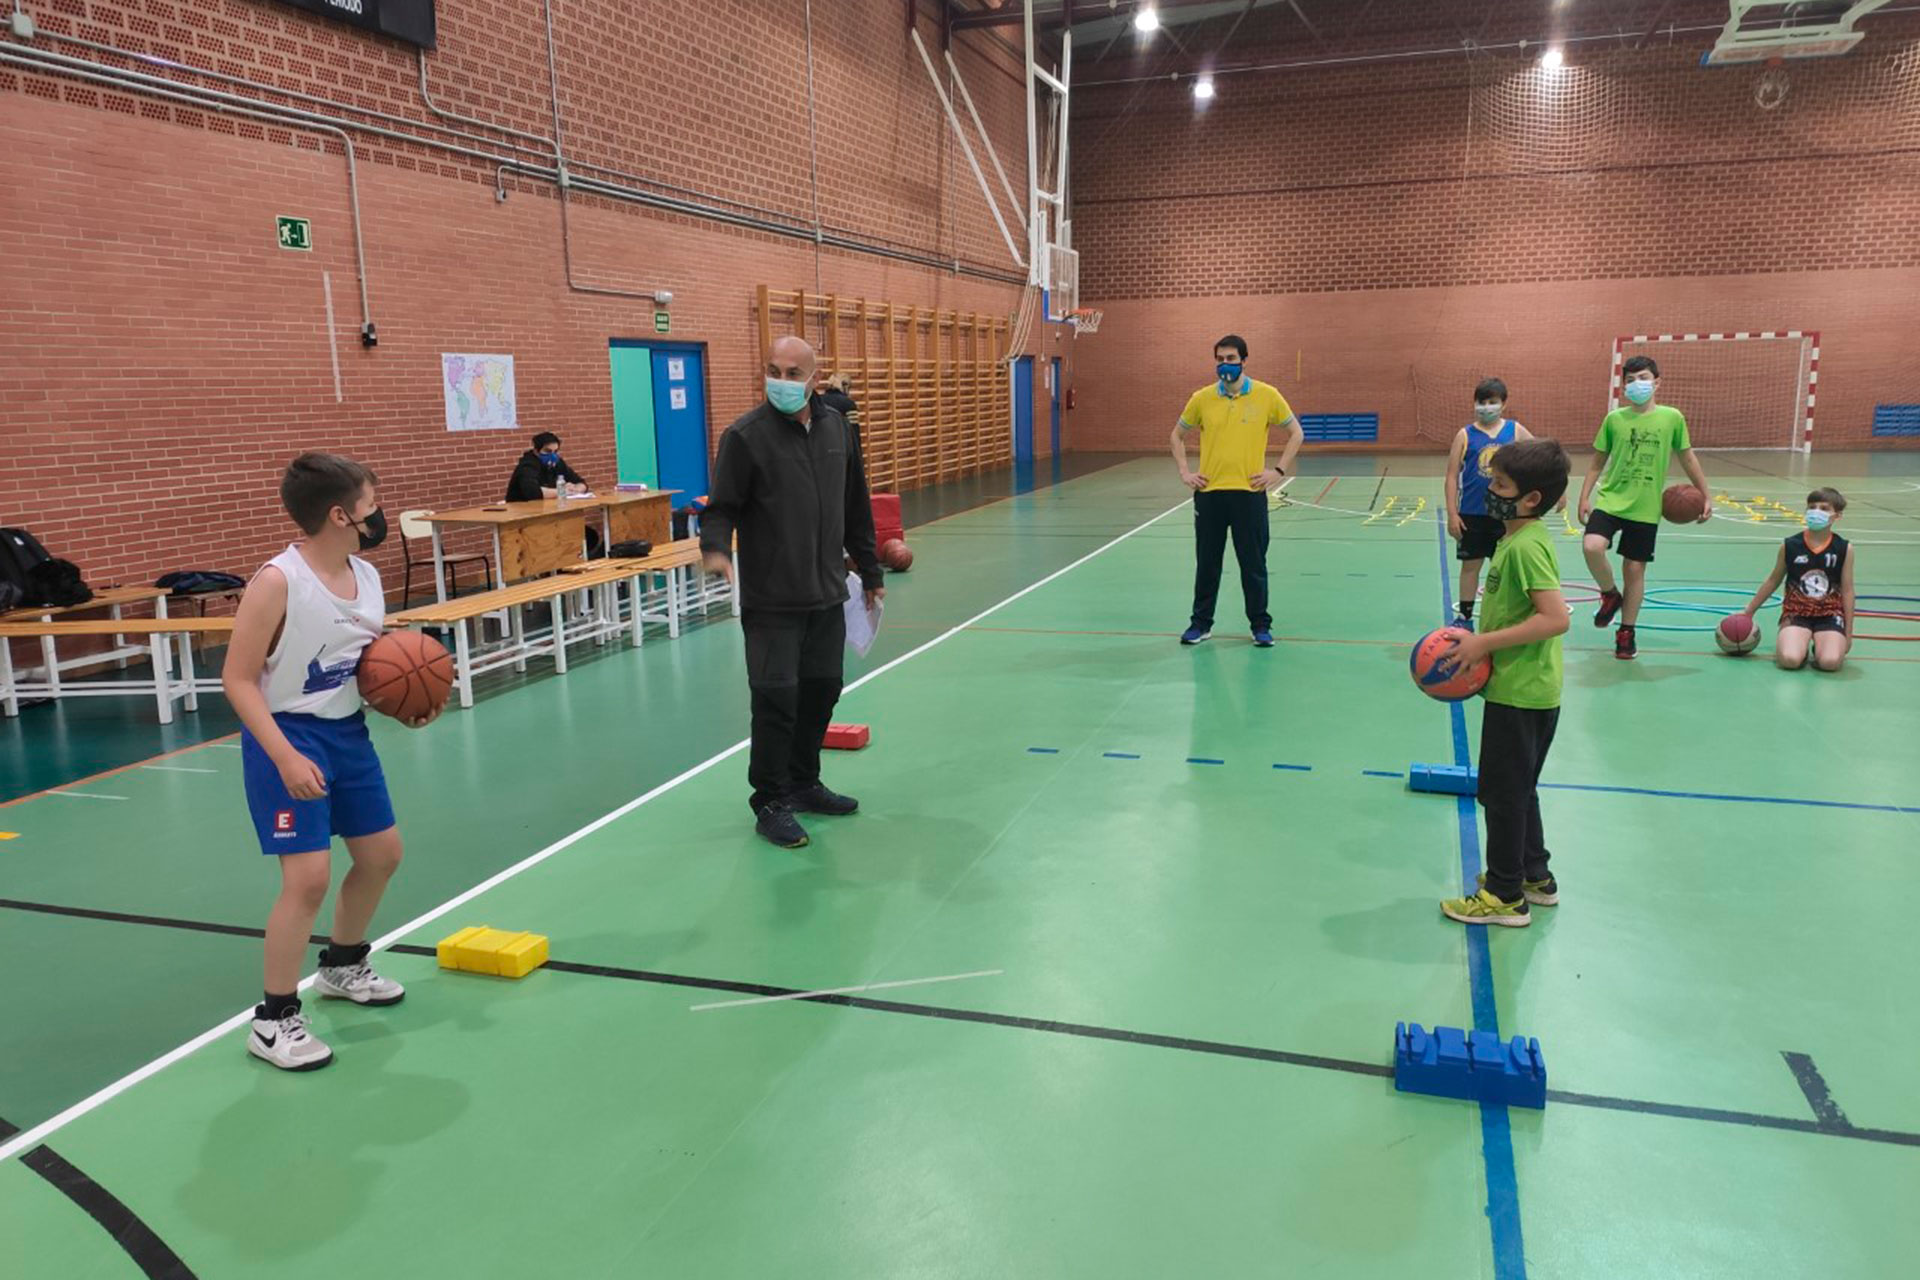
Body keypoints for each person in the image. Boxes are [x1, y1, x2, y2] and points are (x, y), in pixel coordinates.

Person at [222, 453, 436, 1071]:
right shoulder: (277, 582)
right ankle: (274, 1020)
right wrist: (284, 756)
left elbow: (372, 661)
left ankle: (342, 966)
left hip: (348, 732)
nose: (379, 512)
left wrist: (407, 701)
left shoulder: (366, 576)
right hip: (285, 736)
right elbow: (236, 681)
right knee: (308, 879)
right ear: (341, 514)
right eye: (372, 502)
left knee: (381, 855)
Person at [699, 336, 885, 849]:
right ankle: (771, 801)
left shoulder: (836, 430)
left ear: (814, 377)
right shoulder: (746, 436)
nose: (780, 380)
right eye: (772, 369)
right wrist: (714, 548)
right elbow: (721, 508)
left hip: (827, 595)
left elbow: (856, 504)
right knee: (776, 700)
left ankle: (804, 783)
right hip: (772, 603)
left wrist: (870, 572)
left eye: (791, 372)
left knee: (822, 691)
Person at [1436, 438, 1572, 928]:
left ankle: (1504, 894)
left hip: (1522, 692)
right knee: (1520, 787)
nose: (1489, 490)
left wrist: (1482, 646)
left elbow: (1555, 619)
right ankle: (1535, 875)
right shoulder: (1514, 540)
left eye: (1499, 485)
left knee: (1503, 793)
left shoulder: (1527, 547)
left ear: (1531, 499)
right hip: (1526, 689)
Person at [1169, 334, 1303, 648]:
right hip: (1211, 494)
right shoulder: (1202, 398)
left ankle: (1260, 625)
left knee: (1253, 563)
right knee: (1207, 563)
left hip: (1249, 495)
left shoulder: (1267, 395)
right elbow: (1176, 436)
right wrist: (1185, 472)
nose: (1225, 365)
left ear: (1244, 359)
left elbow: (1296, 432)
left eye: (1231, 359)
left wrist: (1278, 471)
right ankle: (1200, 624)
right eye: (1220, 359)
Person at [1577, 355, 1713, 660]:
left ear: (1657, 382)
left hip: (1646, 506)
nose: (1636, 384)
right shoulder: (1615, 419)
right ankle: (1610, 593)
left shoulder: (1671, 418)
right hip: (1612, 499)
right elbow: (1598, 461)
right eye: (1630, 379)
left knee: (1635, 569)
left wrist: (1706, 494)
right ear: (1623, 385)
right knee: (1592, 545)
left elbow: (1687, 457)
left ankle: (1626, 631)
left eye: (1643, 378)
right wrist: (1585, 496)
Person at [1444, 378, 1536, 630]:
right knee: (1470, 566)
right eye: (1481, 402)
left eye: (1492, 402)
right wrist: (1453, 514)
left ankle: (1508, 616)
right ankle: (1465, 617)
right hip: (1472, 514)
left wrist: (1554, 490)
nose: (1486, 407)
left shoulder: (1515, 431)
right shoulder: (1465, 435)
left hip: (1506, 515)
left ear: (1503, 404)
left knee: (1506, 570)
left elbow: (1540, 458)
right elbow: (1452, 476)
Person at [1737, 487, 1855, 672]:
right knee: (1789, 660)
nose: (1816, 511)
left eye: (1824, 508)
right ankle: (1799, 647)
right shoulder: (1790, 545)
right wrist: (1748, 611)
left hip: (1830, 615)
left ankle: (1822, 647)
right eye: (1812, 507)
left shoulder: (1844, 548)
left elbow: (1847, 591)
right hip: (1796, 613)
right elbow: (1772, 580)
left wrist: (1848, 633)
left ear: (1837, 516)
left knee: (1830, 663)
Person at [505, 432, 588, 502]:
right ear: (536, 451)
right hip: (523, 510)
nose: (552, 455)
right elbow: (533, 492)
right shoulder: (527, 465)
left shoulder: (558, 462)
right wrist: (563, 491)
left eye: (555, 451)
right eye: (547, 451)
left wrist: (575, 489)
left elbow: (581, 483)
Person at [818, 373, 861, 448]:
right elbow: (854, 433)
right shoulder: (848, 404)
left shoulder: (818, 400)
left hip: (821, 447)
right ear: (846, 387)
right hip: (841, 449)